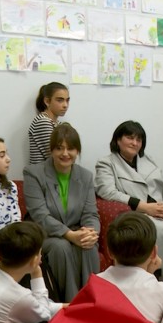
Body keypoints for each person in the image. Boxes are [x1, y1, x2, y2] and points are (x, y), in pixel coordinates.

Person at [95, 121, 163, 294]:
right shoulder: (107, 163)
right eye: (130, 138)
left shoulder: (148, 161)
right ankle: (153, 278)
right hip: (137, 212)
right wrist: (145, 207)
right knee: (155, 229)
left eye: (139, 139)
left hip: (162, 209)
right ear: (118, 140)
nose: (134, 143)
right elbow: (107, 191)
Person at [23, 124, 99, 302]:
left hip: (76, 231)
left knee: (88, 246)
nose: (65, 153)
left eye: (70, 148)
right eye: (59, 148)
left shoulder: (86, 176)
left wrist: (90, 232)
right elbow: (40, 215)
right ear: (51, 150)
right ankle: (68, 304)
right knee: (61, 247)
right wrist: (69, 235)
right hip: (45, 234)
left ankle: (92, 302)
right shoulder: (33, 173)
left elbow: (91, 213)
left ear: (77, 151)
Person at [97, 212, 163, 323]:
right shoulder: (162, 291)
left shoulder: (95, 284)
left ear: (109, 252)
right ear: (154, 252)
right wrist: (149, 274)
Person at [29, 82, 70, 165]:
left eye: (67, 100)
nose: (65, 105)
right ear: (47, 101)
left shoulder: (58, 124)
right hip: (42, 172)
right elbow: (56, 157)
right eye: (60, 100)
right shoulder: (43, 122)